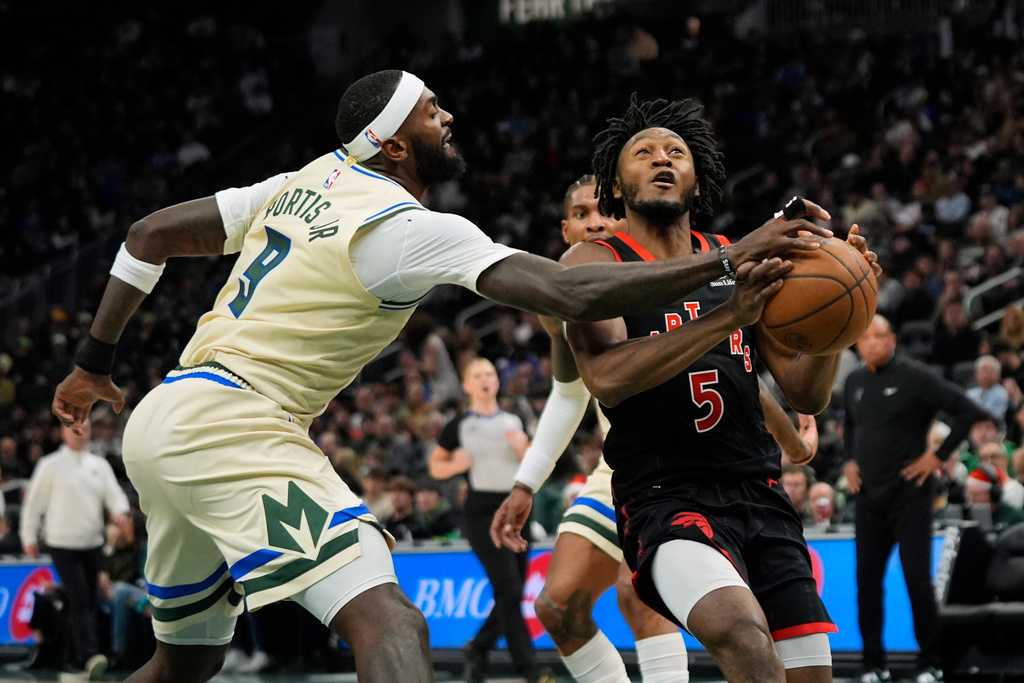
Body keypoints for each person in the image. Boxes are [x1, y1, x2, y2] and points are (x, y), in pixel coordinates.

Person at [50, 70, 832, 683]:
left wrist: (93, 362)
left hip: (165, 415)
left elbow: (148, 234)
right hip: (236, 420)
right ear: (392, 143)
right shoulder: (409, 227)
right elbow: (565, 293)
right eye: (429, 110)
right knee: (393, 622)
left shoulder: (300, 181)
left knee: (188, 662)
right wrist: (733, 256)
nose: (447, 115)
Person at [551, 95, 877, 683]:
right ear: (616, 188)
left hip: (759, 490)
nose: (661, 158)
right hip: (665, 494)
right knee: (743, 635)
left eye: (675, 151)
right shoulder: (593, 259)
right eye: (643, 152)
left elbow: (803, 394)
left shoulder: (734, 262)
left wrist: (841, 321)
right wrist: (727, 316)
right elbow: (607, 379)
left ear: (696, 180)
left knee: (810, 676)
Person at [490, 175, 821, 683]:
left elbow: (737, 372)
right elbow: (572, 391)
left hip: (706, 464)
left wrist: (793, 440)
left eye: (602, 212)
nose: (594, 221)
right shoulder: (565, 293)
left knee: (641, 597)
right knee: (556, 608)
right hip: (631, 469)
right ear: (564, 229)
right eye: (581, 215)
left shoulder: (680, 271)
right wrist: (527, 481)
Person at [844, 315, 985, 683]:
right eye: (866, 337)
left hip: (909, 495)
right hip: (868, 500)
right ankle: (873, 664)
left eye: (880, 336)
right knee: (866, 582)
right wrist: (848, 461)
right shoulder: (854, 381)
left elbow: (967, 411)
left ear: (893, 339)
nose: (872, 342)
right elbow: (850, 425)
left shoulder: (915, 376)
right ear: (857, 345)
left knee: (916, 580)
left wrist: (936, 457)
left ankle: (930, 662)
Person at [427, 357, 550, 683]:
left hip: (517, 507)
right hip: (482, 511)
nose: (486, 379)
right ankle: (530, 669)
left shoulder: (514, 418)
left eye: (491, 374)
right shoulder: (460, 425)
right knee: (508, 588)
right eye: (478, 375)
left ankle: (479, 647)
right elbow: (436, 466)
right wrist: (454, 466)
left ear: (497, 381)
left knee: (514, 590)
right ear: (467, 385)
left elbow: (539, 459)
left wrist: (527, 451)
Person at [21, 420, 131, 680]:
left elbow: (114, 495)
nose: (81, 433)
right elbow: (33, 505)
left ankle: (72, 659)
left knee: (86, 600)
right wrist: (28, 535)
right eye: (75, 428)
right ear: (63, 432)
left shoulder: (99, 466)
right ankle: (88, 656)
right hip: (62, 543)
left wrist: (121, 512)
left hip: (92, 543)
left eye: (86, 428)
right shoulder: (50, 465)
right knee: (80, 598)